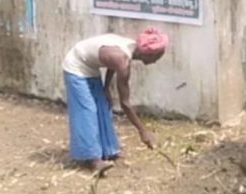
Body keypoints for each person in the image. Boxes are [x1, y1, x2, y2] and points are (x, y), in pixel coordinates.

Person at [61, 27, 168, 175]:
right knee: (88, 110)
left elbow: (112, 65)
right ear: (149, 54)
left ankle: (107, 150)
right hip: (76, 66)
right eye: (157, 57)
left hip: (90, 67)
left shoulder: (128, 51)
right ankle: (93, 159)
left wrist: (105, 88)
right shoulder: (122, 61)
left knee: (102, 106)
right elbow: (125, 103)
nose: (155, 62)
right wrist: (143, 131)